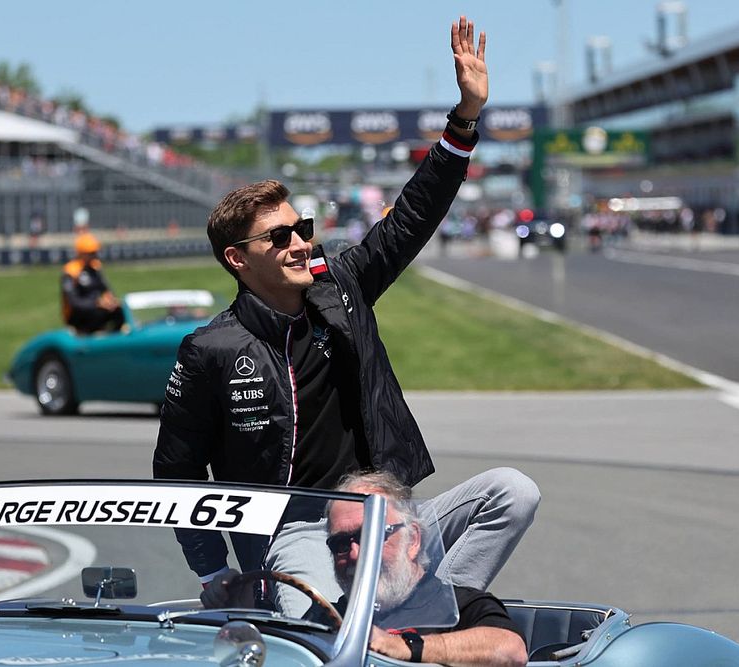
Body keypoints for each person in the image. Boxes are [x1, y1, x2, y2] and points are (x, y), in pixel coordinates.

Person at [154, 15, 539, 599]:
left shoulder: (344, 285)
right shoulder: (212, 350)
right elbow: (177, 477)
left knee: (513, 492)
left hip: (387, 520)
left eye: (300, 228)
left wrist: (465, 117)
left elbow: (413, 216)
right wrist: (214, 572)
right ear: (237, 259)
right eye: (277, 238)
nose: (298, 243)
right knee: (323, 627)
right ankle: (380, 626)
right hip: (295, 537)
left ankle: (432, 611)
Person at [326, 471, 528, 666]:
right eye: (340, 543)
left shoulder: (460, 605)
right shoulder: (328, 615)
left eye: (370, 535)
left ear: (412, 540)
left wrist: (404, 647)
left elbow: (511, 650)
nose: (355, 554)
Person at [61, 232, 125, 334]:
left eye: (95, 252)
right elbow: (74, 302)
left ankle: (113, 340)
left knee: (120, 310)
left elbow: (106, 288)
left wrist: (111, 301)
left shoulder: (95, 267)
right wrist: (97, 303)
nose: (94, 255)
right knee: (97, 312)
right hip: (79, 315)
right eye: (91, 253)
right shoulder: (71, 271)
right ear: (81, 253)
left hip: (97, 309)